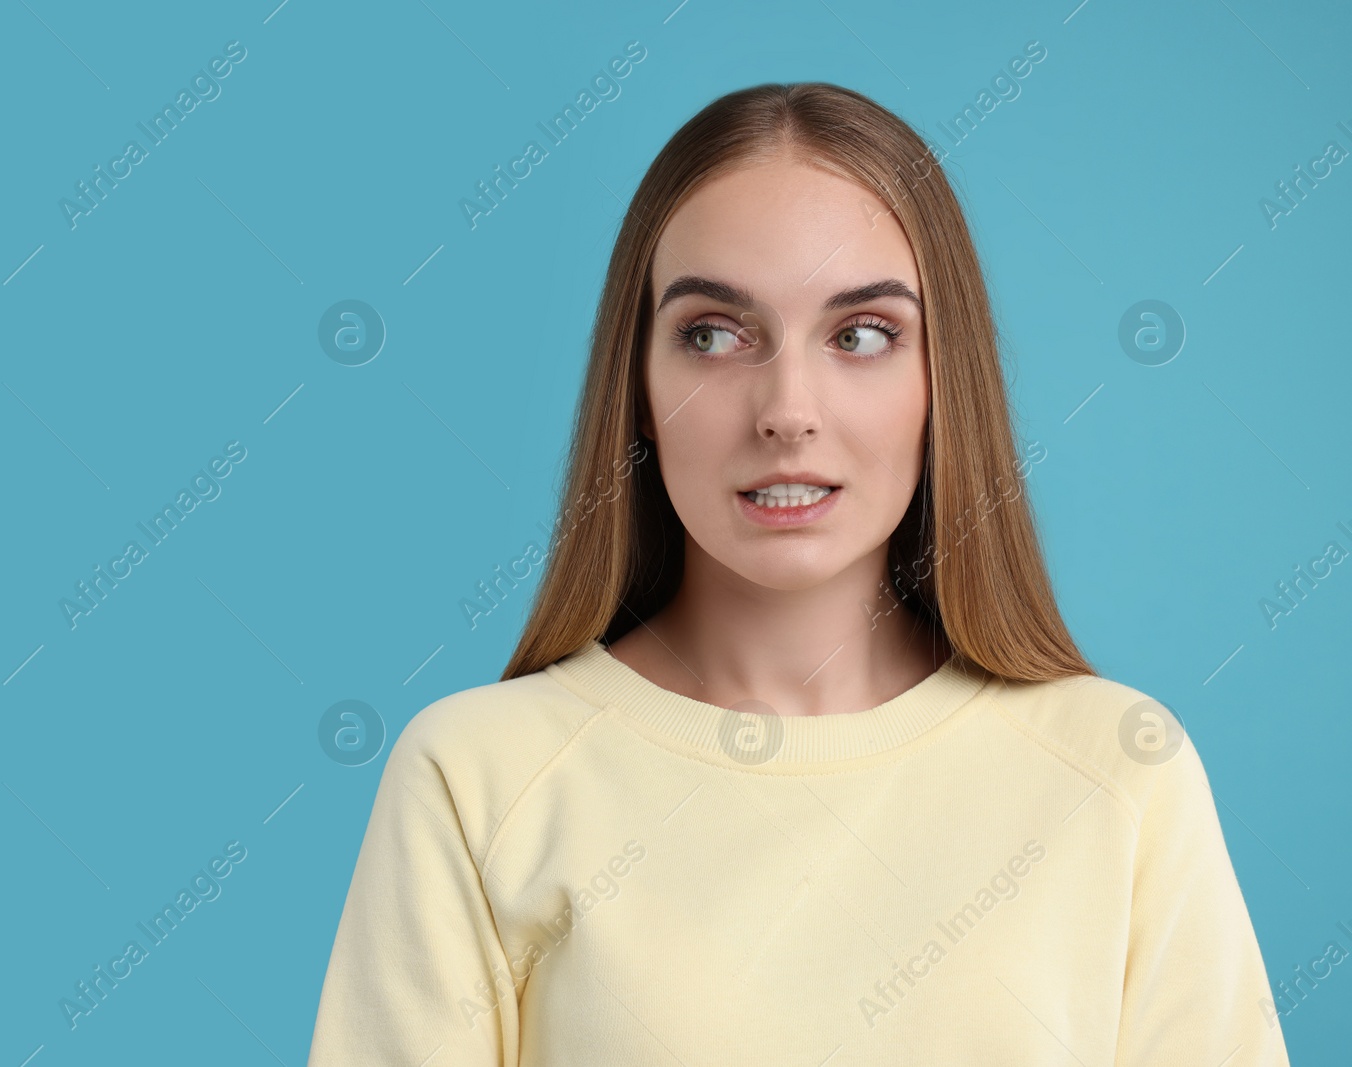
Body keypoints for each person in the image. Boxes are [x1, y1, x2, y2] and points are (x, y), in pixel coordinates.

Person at [304, 82, 1291, 1065]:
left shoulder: (1119, 771)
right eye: (713, 334)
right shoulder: (474, 779)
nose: (785, 409)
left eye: (860, 334)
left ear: (941, 386)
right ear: (637, 388)